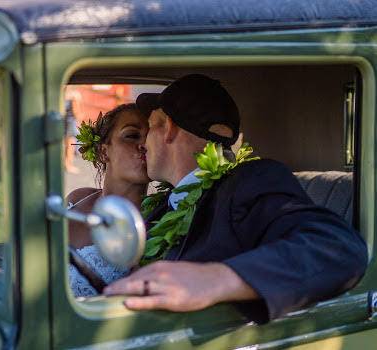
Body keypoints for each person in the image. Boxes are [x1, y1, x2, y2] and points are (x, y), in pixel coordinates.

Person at [104, 74, 368, 323]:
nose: (144, 144)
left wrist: (214, 279)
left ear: (169, 128)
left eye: (149, 128)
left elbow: (337, 247)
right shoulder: (162, 206)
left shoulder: (248, 182)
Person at [67, 103, 149, 296]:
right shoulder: (77, 197)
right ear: (104, 152)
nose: (145, 145)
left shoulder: (158, 219)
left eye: (151, 136)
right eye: (132, 135)